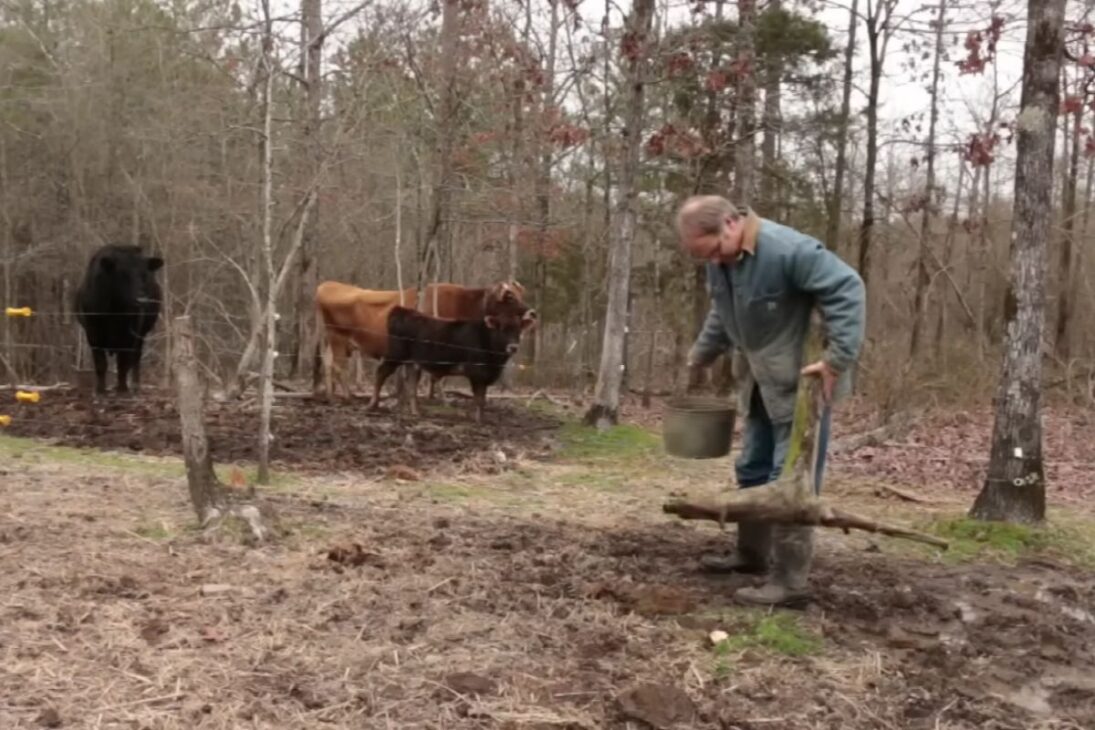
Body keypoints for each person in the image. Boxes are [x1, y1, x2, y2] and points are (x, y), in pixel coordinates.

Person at [677, 195, 866, 607]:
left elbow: (848, 288)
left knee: (790, 481)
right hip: (761, 381)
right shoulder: (723, 264)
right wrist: (703, 352)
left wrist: (836, 360)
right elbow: (723, 311)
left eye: (713, 251)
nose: (713, 262)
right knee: (753, 467)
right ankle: (751, 556)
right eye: (704, 257)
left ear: (730, 224)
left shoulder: (787, 250)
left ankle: (790, 582)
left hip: (802, 387)